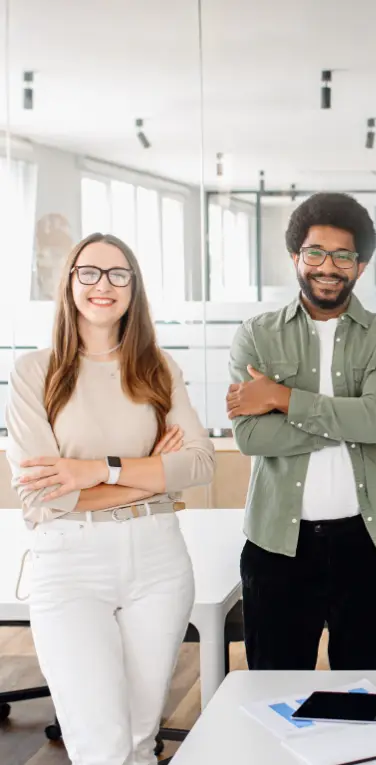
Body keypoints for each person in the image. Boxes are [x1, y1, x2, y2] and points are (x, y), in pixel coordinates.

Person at [6, 233, 215, 765]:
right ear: (69, 283)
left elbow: (199, 463)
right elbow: (43, 497)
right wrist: (153, 478)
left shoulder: (157, 368)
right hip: (70, 565)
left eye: (118, 274)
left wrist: (95, 470)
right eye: (90, 272)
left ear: (134, 287)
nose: (104, 285)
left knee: (140, 740)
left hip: (158, 561)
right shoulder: (34, 372)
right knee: (101, 745)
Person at [227, 192, 376, 671]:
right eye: (315, 253)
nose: (328, 267)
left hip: (368, 544)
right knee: (276, 694)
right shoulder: (256, 335)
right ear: (296, 257)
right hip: (277, 547)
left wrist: (281, 399)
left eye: (343, 256)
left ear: (360, 266)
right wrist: (351, 423)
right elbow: (251, 438)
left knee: (362, 690)